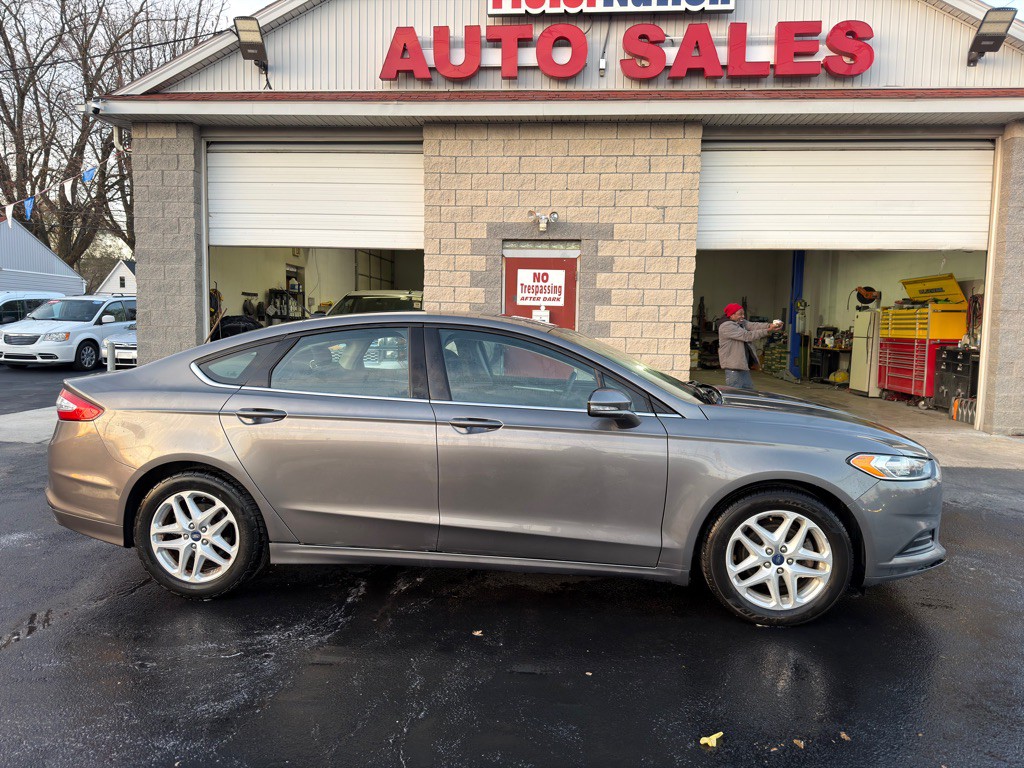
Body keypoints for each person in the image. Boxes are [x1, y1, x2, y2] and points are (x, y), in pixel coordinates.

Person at [718, 303, 783, 390]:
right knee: (734, 392)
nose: (743, 316)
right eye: (740, 314)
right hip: (733, 365)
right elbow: (747, 336)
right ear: (731, 315)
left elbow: (752, 325)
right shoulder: (726, 326)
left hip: (741, 364)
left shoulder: (739, 322)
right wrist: (768, 330)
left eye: (743, 314)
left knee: (748, 390)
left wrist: (770, 325)